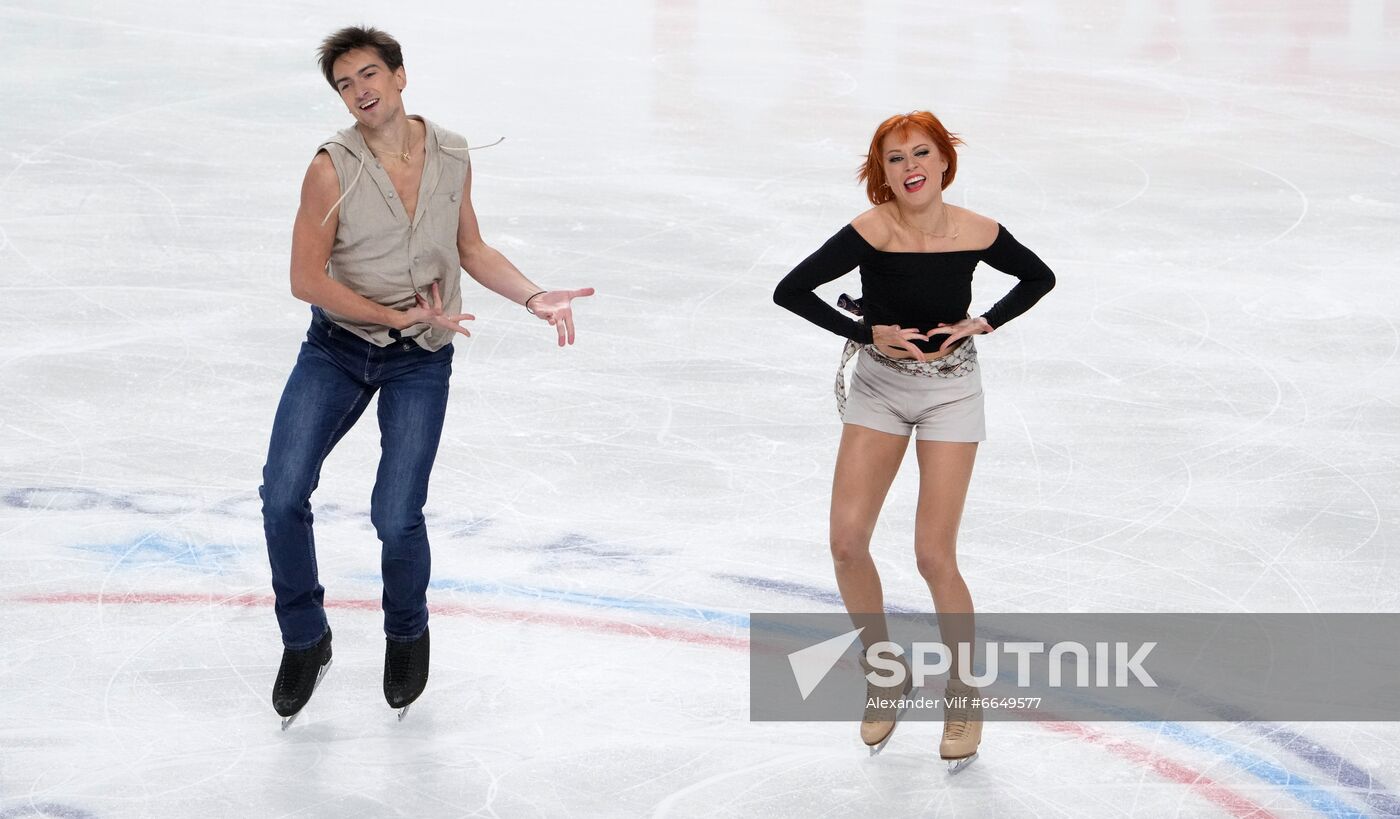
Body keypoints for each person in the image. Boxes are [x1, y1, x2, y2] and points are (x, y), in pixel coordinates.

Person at [260, 25, 595, 728]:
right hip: (339, 347)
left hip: (422, 355)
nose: (361, 92)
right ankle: (304, 637)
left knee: (394, 514)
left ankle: (406, 631)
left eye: (370, 74)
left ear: (401, 75)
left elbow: (469, 246)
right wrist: (388, 310)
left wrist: (533, 295)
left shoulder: (450, 152)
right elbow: (304, 278)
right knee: (283, 491)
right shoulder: (331, 165)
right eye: (346, 84)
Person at [773, 111, 1054, 770]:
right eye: (894, 159)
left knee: (933, 554)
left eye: (920, 153)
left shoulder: (979, 230)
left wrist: (985, 320)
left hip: (952, 390)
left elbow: (1038, 277)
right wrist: (869, 333)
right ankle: (885, 672)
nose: (909, 168)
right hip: (880, 388)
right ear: (883, 173)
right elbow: (790, 290)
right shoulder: (870, 232)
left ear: (942, 161)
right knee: (846, 541)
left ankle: (963, 691)